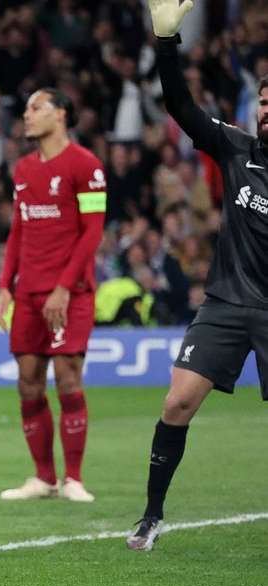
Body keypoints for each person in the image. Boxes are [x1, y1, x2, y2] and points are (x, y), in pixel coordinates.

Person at [127, 0, 268, 551]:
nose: (265, 109)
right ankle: (151, 515)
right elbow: (181, 106)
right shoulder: (237, 150)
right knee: (176, 403)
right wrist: (166, 45)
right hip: (228, 302)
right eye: (262, 99)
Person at [0, 87, 107, 503]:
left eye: (35, 108)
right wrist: (6, 283)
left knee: (66, 377)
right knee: (28, 382)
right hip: (29, 291)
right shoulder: (23, 169)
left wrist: (64, 287)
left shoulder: (87, 165)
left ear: (60, 114)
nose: (27, 115)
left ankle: (73, 478)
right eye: (25, 108)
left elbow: (92, 232)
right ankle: (43, 478)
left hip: (71, 292)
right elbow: (18, 229)